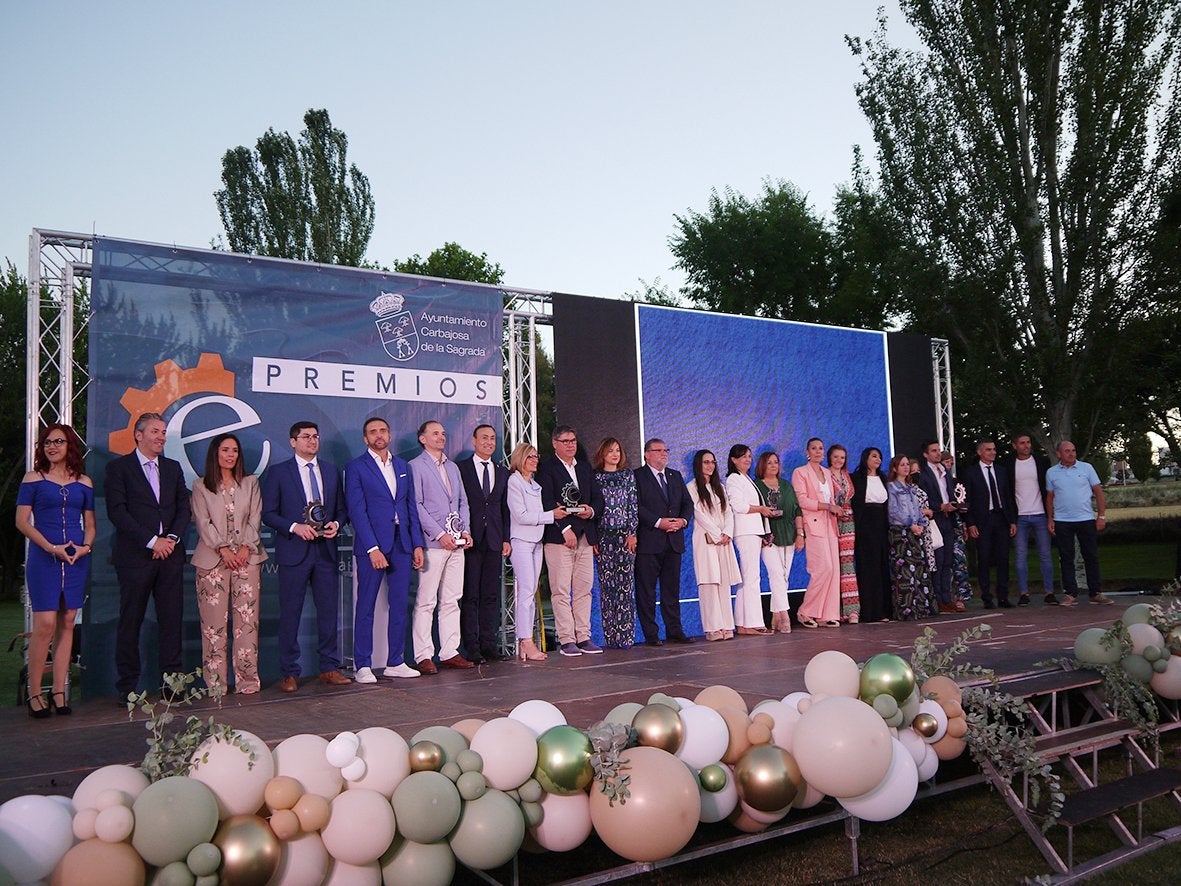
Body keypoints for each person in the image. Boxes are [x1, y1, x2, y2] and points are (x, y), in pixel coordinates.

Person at [105, 412, 191, 700]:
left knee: (171, 620)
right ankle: (127, 686)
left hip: (170, 556)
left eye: (164, 432)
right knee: (131, 621)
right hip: (135, 558)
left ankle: (172, 684)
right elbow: (117, 512)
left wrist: (171, 540)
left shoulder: (173, 467)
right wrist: (152, 541)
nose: (161, 437)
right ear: (138, 435)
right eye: (155, 431)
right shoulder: (119, 468)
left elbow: (183, 507)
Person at [262, 421, 351, 692]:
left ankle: (329, 668)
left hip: (325, 551)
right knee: (291, 614)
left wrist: (337, 523)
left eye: (315, 436)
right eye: (305, 437)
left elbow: (342, 509)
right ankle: (289, 672)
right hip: (294, 551)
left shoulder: (331, 471)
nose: (312, 441)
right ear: (292, 442)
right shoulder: (279, 473)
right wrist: (294, 527)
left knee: (328, 613)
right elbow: (268, 513)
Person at [16, 424, 94, 716]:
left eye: (58, 442)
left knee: (68, 620)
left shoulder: (84, 482)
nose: (52, 447)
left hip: (76, 558)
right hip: (44, 558)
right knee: (46, 622)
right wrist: (51, 548)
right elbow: (22, 522)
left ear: (69, 445)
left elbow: (91, 524)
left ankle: (59, 692)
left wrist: (86, 547)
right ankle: (35, 693)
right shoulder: (33, 479)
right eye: (47, 442)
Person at [344, 417, 425, 682]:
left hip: (402, 544)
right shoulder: (356, 468)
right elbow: (357, 511)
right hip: (373, 548)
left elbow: (409, 507)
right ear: (365, 438)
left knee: (400, 605)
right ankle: (363, 665)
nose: (378, 435)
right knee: (365, 606)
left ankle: (395, 661)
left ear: (389, 435)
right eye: (372, 432)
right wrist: (372, 548)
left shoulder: (402, 466)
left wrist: (417, 544)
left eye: (382, 431)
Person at [190, 433, 266, 696]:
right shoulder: (200, 486)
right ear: (215, 454)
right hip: (212, 561)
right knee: (213, 628)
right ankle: (216, 685)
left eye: (234, 450)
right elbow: (202, 521)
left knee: (247, 624)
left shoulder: (251, 483)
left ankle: (247, 681)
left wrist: (245, 546)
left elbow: (255, 517)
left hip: (248, 558)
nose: (230, 455)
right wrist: (223, 549)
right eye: (225, 450)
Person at [410, 420, 474, 672]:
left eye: (443, 433)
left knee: (452, 599)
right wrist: (438, 534)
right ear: (422, 438)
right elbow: (416, 505)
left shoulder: (453, 467)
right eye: (435, 433)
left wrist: (465, 530)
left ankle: (449, 651)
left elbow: (462, 502)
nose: (441, 437)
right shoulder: (416, 466)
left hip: (456, 544)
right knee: (426, 601)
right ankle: (423, 655)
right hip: (433, 544)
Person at [537, 425, 605, 656]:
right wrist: (564, 528)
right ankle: (567, 639)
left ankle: (584, 636)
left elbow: (598, 500)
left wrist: (591, 510)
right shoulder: (546, 469)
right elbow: (546, 502)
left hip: (586, 536)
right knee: (561, 590)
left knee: (584, 589)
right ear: (555, 444)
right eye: (565, 441)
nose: (570, 445)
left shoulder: (584, 468)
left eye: (573, 441)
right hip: (559, 538)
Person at [506, 443, 567, 661]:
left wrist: (553, 511)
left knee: (531, 591)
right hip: (521, 540)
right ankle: (525, 640)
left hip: (536, 540)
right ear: (520, 459)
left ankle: (527, 641)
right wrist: (551, 515)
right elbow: (521, 515)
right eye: (530, 456)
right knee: (526, 593)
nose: (534, 460)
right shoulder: (514, 482)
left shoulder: (534, 484)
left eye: (536, 456)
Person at [457, 424, 511, 663]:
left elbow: (504, 509)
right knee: (471, 596)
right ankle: (472, 646)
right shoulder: (461, 469)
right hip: (471, 541)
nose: (489, 442)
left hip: (494, 541)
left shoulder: (502, 472)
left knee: (490, 595)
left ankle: (489, 644)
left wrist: (506, 538)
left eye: (492, 438)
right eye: (484, 438)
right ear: (474, 441)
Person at [633, 438, 694, 646]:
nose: (663, 454)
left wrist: (682, 521)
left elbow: (687, 503)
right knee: (647, 591)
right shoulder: (636, 477)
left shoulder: (674, 476)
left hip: (674, 541)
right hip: (649, 543)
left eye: (665, 450)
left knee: (671, 590)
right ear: (646, 454)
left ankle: (675, 630)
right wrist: (659, 522)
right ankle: (651, 634)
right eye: (658, 450)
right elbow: (636, 506)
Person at [1045, 440, 1111, 606]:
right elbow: (1050, 498)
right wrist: (1050, 519)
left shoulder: (1086, 468)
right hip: (1062, 521)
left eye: (1073, 450)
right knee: (1066, 557)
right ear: (1059, 454)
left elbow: (1099, 493)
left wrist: (1101, 516)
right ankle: (1070, 593)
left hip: (1086, 519)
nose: (1071, 453)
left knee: (1091, 555)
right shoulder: (1052, 472)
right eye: (1067, 451)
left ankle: (1095, 592)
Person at [688, 450, 740, 641]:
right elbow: (699, 513)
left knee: (724, 582)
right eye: (706, 462)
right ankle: (712, 627)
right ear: (698, 465)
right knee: (709, 582)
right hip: (705, 538)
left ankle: (727, 625)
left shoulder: (720, 487)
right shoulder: (692, 487)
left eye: (712, 462)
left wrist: (727, 532)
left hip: (723, 540)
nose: (710, 466)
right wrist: (717, 534)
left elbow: (728, 513)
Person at [791, 438, 842, 629]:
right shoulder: (800, 473)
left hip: (830, 524)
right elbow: (802, 501)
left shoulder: (827, 473)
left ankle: (827, 614)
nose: (818, 451)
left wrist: (833, 507)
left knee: (833, 570)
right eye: (814, 448)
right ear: (807, 452)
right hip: (813, 524)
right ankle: (806, 611)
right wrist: (827, 506)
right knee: (822, 568)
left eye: (821, 448)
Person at [592, 438, 638, 648]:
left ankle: (626, 636)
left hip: (623, 536)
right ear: (602, 453)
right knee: (607, 587)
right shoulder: (595, 477)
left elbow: (632, 506)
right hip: (603, 536)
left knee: (625, 588)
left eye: (617, 450)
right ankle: (611, 636)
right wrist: (593, 538)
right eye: (610, 451)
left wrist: (632, 533)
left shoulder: (627, 475)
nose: (615, 454)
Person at [725, 444, 775, 635]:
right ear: (733, 460)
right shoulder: (733, 479)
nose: (747, 459)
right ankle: (752, 623)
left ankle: (745, 623)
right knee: (751, 578)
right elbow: (738, 506)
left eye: (749, 456)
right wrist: (761, 510)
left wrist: (764, 530)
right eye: (743, 456)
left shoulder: (746, 478)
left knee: (749, 578)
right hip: (745, 531)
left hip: (754, 531)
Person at [753, 452, 804, 633]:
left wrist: (800, 534)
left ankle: (775, 615)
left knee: (784, 577)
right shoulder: (756, 486)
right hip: (768, 536)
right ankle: (784, 615)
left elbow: (797, 511)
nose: (773, 465)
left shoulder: (786, 486)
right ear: (762, 465)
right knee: (776, 574)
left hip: (789, 534)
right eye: (769, 463)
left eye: (776, 462)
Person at [963, 438, 1018, 609]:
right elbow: (967, 500)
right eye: (988, 449)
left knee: (1003, 558)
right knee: (984, 558)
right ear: (980, 452)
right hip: (982, 520)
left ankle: (1003, 596)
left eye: (994, 449)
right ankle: (986, 597)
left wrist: (1012, 521)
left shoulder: (1002, 471)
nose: (992, 452)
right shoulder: (971, 473)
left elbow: (1008, 497)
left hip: (1001, 518)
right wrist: (970, 523)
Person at [1007, 434, 1057, 605]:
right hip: (1020, 516)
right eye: (1022, 443)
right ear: (1015, 446)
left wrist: (1051, 517)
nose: (1026, 445)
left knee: (1045, 555)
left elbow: (1049, 491)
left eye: (1028, 442)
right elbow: (1007, 493)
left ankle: (1049, 591)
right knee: (1020, 556)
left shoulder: (1041, 462)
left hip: (1040, 514)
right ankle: (1023, 593)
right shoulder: (1008, 465)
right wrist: (1011, 519)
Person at [887, 455, 934, 620]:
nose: (906, 468)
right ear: (894, 468)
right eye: (902, 465)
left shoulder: (911, 488)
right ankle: (906, 609)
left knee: (919, 571)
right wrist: (910, 524)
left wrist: (920, 523)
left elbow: (916, 508)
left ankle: (921, 607)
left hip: (915, 532)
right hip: (901, 533)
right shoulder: (891, 488)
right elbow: (893, 511)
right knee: (904, 572)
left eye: (908, 464)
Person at [918, 440, 959, 613]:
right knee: (938, 560)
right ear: (926, 454)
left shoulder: (945, 471)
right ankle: (937, 599)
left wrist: (954, 505)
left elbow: (950, 493)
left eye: (939, 451)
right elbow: (924, 498)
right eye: (933, 451)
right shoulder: (923, 474)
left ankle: (946, 597)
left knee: (948, 560)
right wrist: (940, 506)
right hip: (935, 519)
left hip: (948, 518)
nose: (937, 454)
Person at [851, 447, 891, 622]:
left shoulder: (883, 477)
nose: (878, 459)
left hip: (881, 524)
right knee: (868, 567)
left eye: (880, 457)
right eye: (874, 456)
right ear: (865, 457)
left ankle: (883, 610)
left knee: (882, 566)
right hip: (864, 524)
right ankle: (869, 611)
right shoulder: (857, 478)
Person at [826, 444, 861, 624]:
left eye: (842, 457)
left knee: (847, 564)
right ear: (829, 457)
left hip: (848, 520)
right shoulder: (824, 475)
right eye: (836, 457)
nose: (839, 460)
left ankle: (852, 611)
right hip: (830, 520)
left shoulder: (846, 476)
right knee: (831, 566)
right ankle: (833, 610)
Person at [942, 450, 973, 604]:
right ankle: (948, 596)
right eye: (946, 462)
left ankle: (962, 595)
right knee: (945, 562)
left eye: (950, 462)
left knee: (959, 560)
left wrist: (965, 523)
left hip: (957, 523)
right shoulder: (936, 482)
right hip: (943, 523)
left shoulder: (957, 483)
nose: (948, 465)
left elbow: (964, 502)